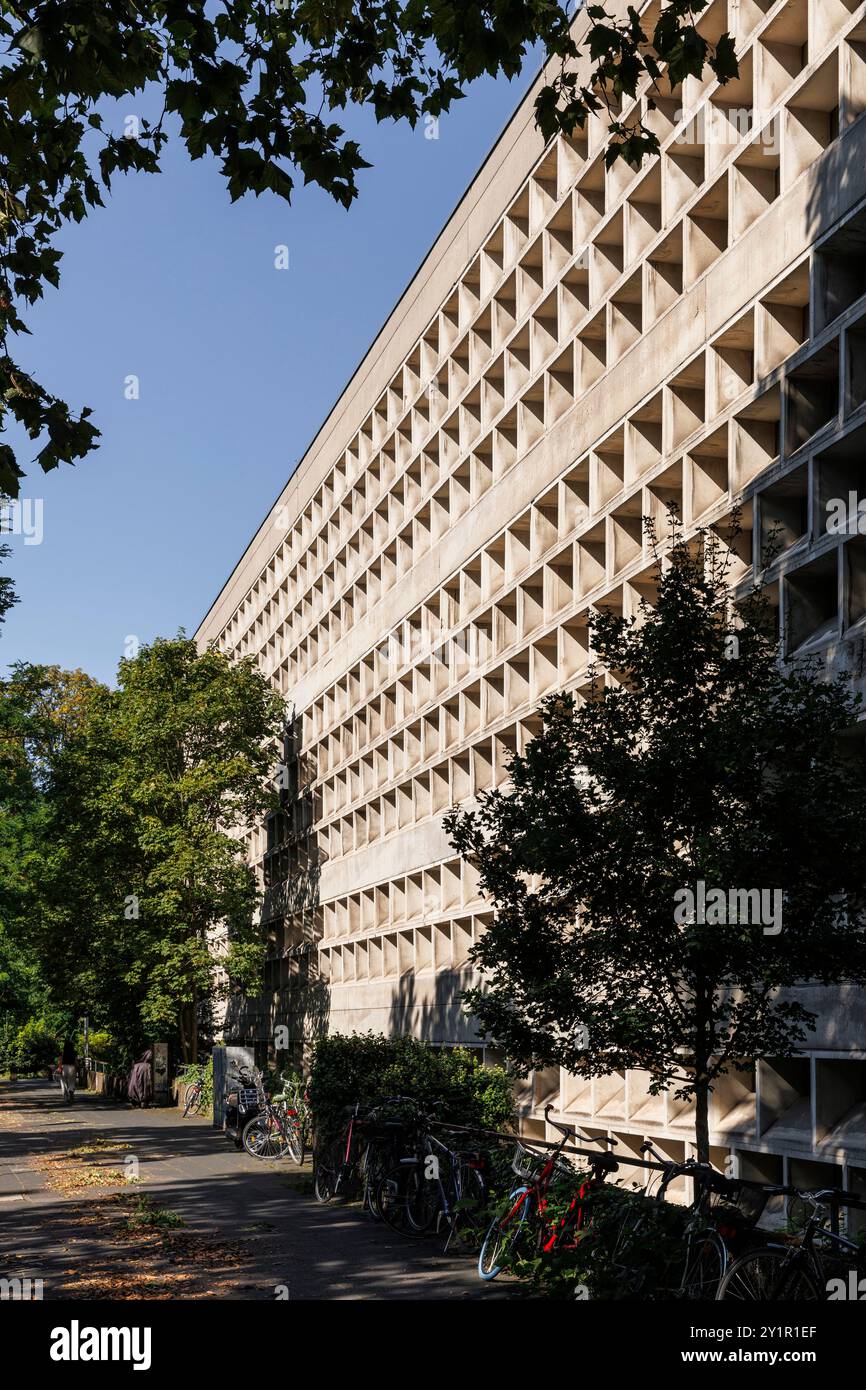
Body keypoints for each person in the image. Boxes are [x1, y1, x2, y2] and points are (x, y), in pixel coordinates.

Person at [59, 1040, 76, 1104]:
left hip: (64, 1067)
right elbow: (76, 1062)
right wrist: (76, 1068)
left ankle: (65, 1096)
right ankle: (71, 1090)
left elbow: (60, 1060)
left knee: (64, 1083)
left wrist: (60, 1068)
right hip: (72, 1067)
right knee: (72, 1082)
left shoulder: (63, 1052)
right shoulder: (74, 1053)